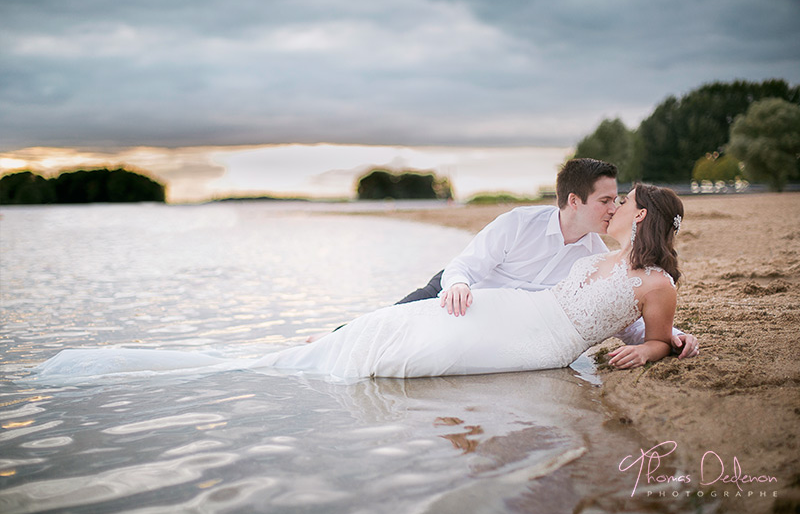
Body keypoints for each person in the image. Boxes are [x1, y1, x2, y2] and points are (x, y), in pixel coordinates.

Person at [249, 183, 686, 380]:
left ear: (642, 215)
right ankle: (331, 345)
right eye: (610, 200)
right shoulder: (599, 253)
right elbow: (613, 309)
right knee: (415, 317)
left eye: (623, 201)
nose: (614, 208)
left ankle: (351, 360)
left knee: (430, 353)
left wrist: (656, 345)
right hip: (510, 305)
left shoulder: (659, 283)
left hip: (548, 341)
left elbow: (649, 332)